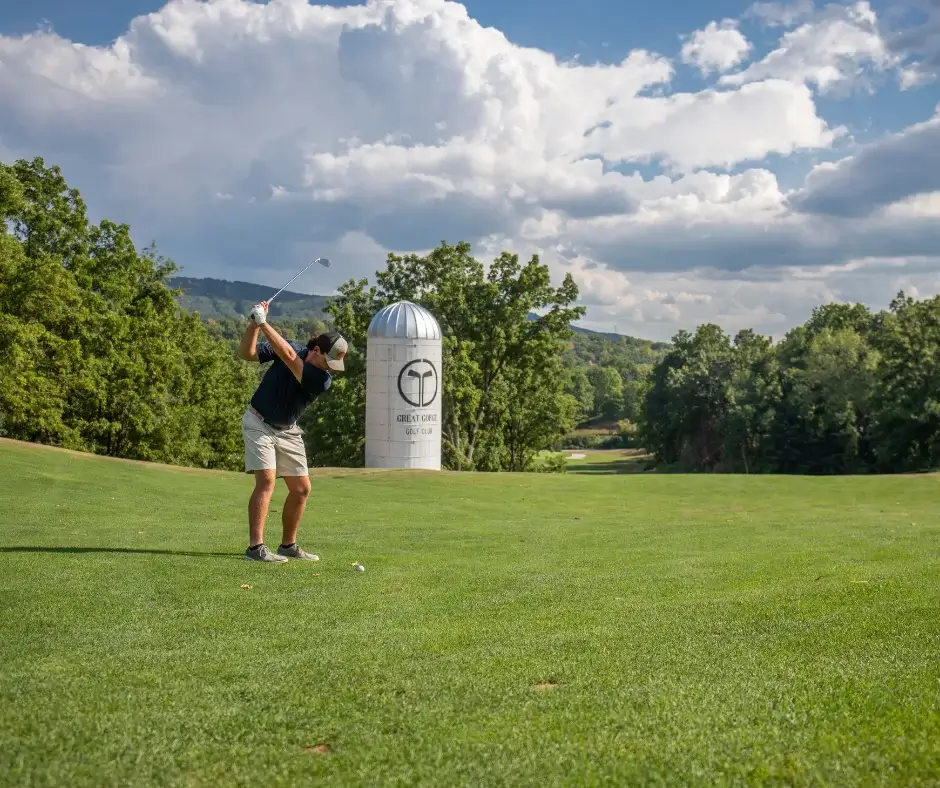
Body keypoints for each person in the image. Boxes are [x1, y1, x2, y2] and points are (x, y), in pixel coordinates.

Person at [236, 299, 347, 563]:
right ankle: (255, 548)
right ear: (317, 349)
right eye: (328, 360)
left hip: (288, 431)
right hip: (258, 422)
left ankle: (288, 545)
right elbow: (247, 354)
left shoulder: (322, 379)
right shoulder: (292, 349)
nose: (330, 367)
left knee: (301, 489)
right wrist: (254, 326)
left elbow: (288, 356)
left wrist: (264, 323)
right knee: (267, 481)